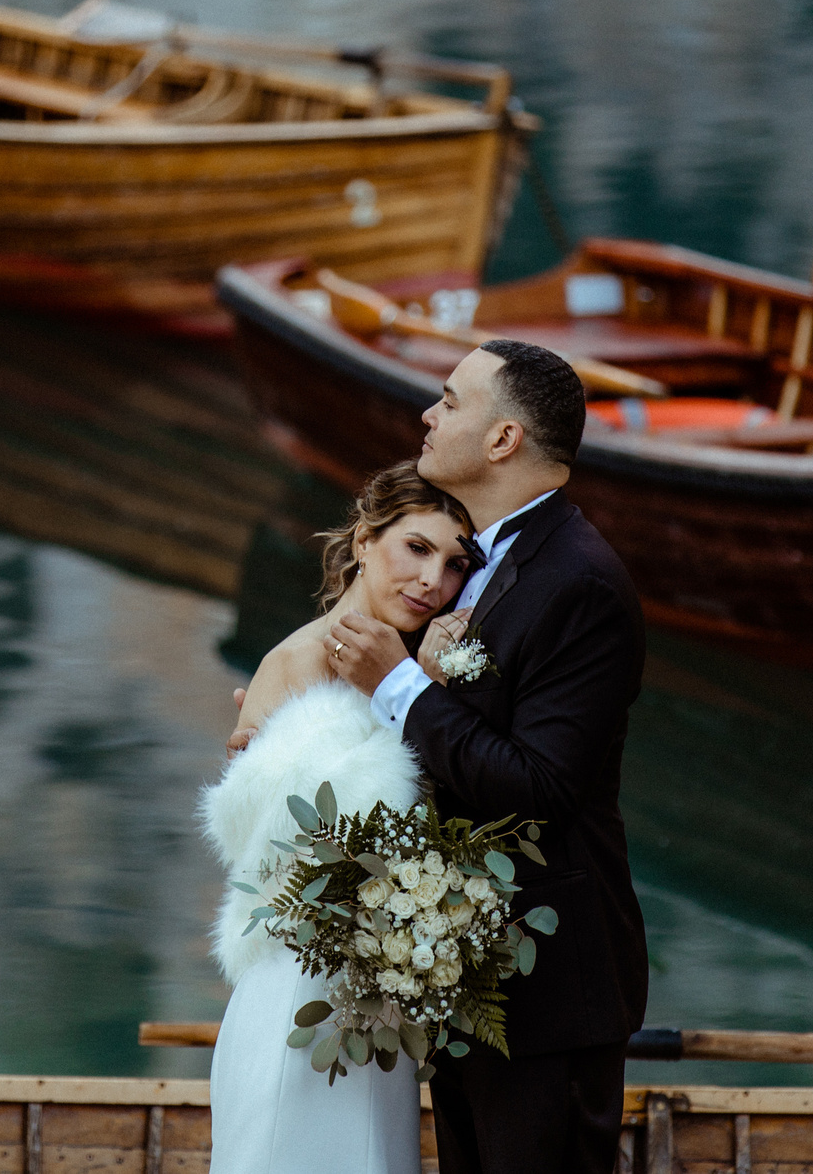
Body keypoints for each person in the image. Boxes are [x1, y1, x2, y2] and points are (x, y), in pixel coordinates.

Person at [322, 340, 648, 1174]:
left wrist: (398, 684)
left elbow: (538, 786)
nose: (428, 416)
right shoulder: (470, 556)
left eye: (449, 400)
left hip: (548, 983)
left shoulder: (582, 583)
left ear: (503, 439)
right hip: (458, 964)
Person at [199, 463, 476, 1174]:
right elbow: (305, 851)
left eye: (454, 564)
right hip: (299, 988)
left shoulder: (421, 674)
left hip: (373, 999)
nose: (432, 581)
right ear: (363, 540)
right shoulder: (293, 663)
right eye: (416, 548)